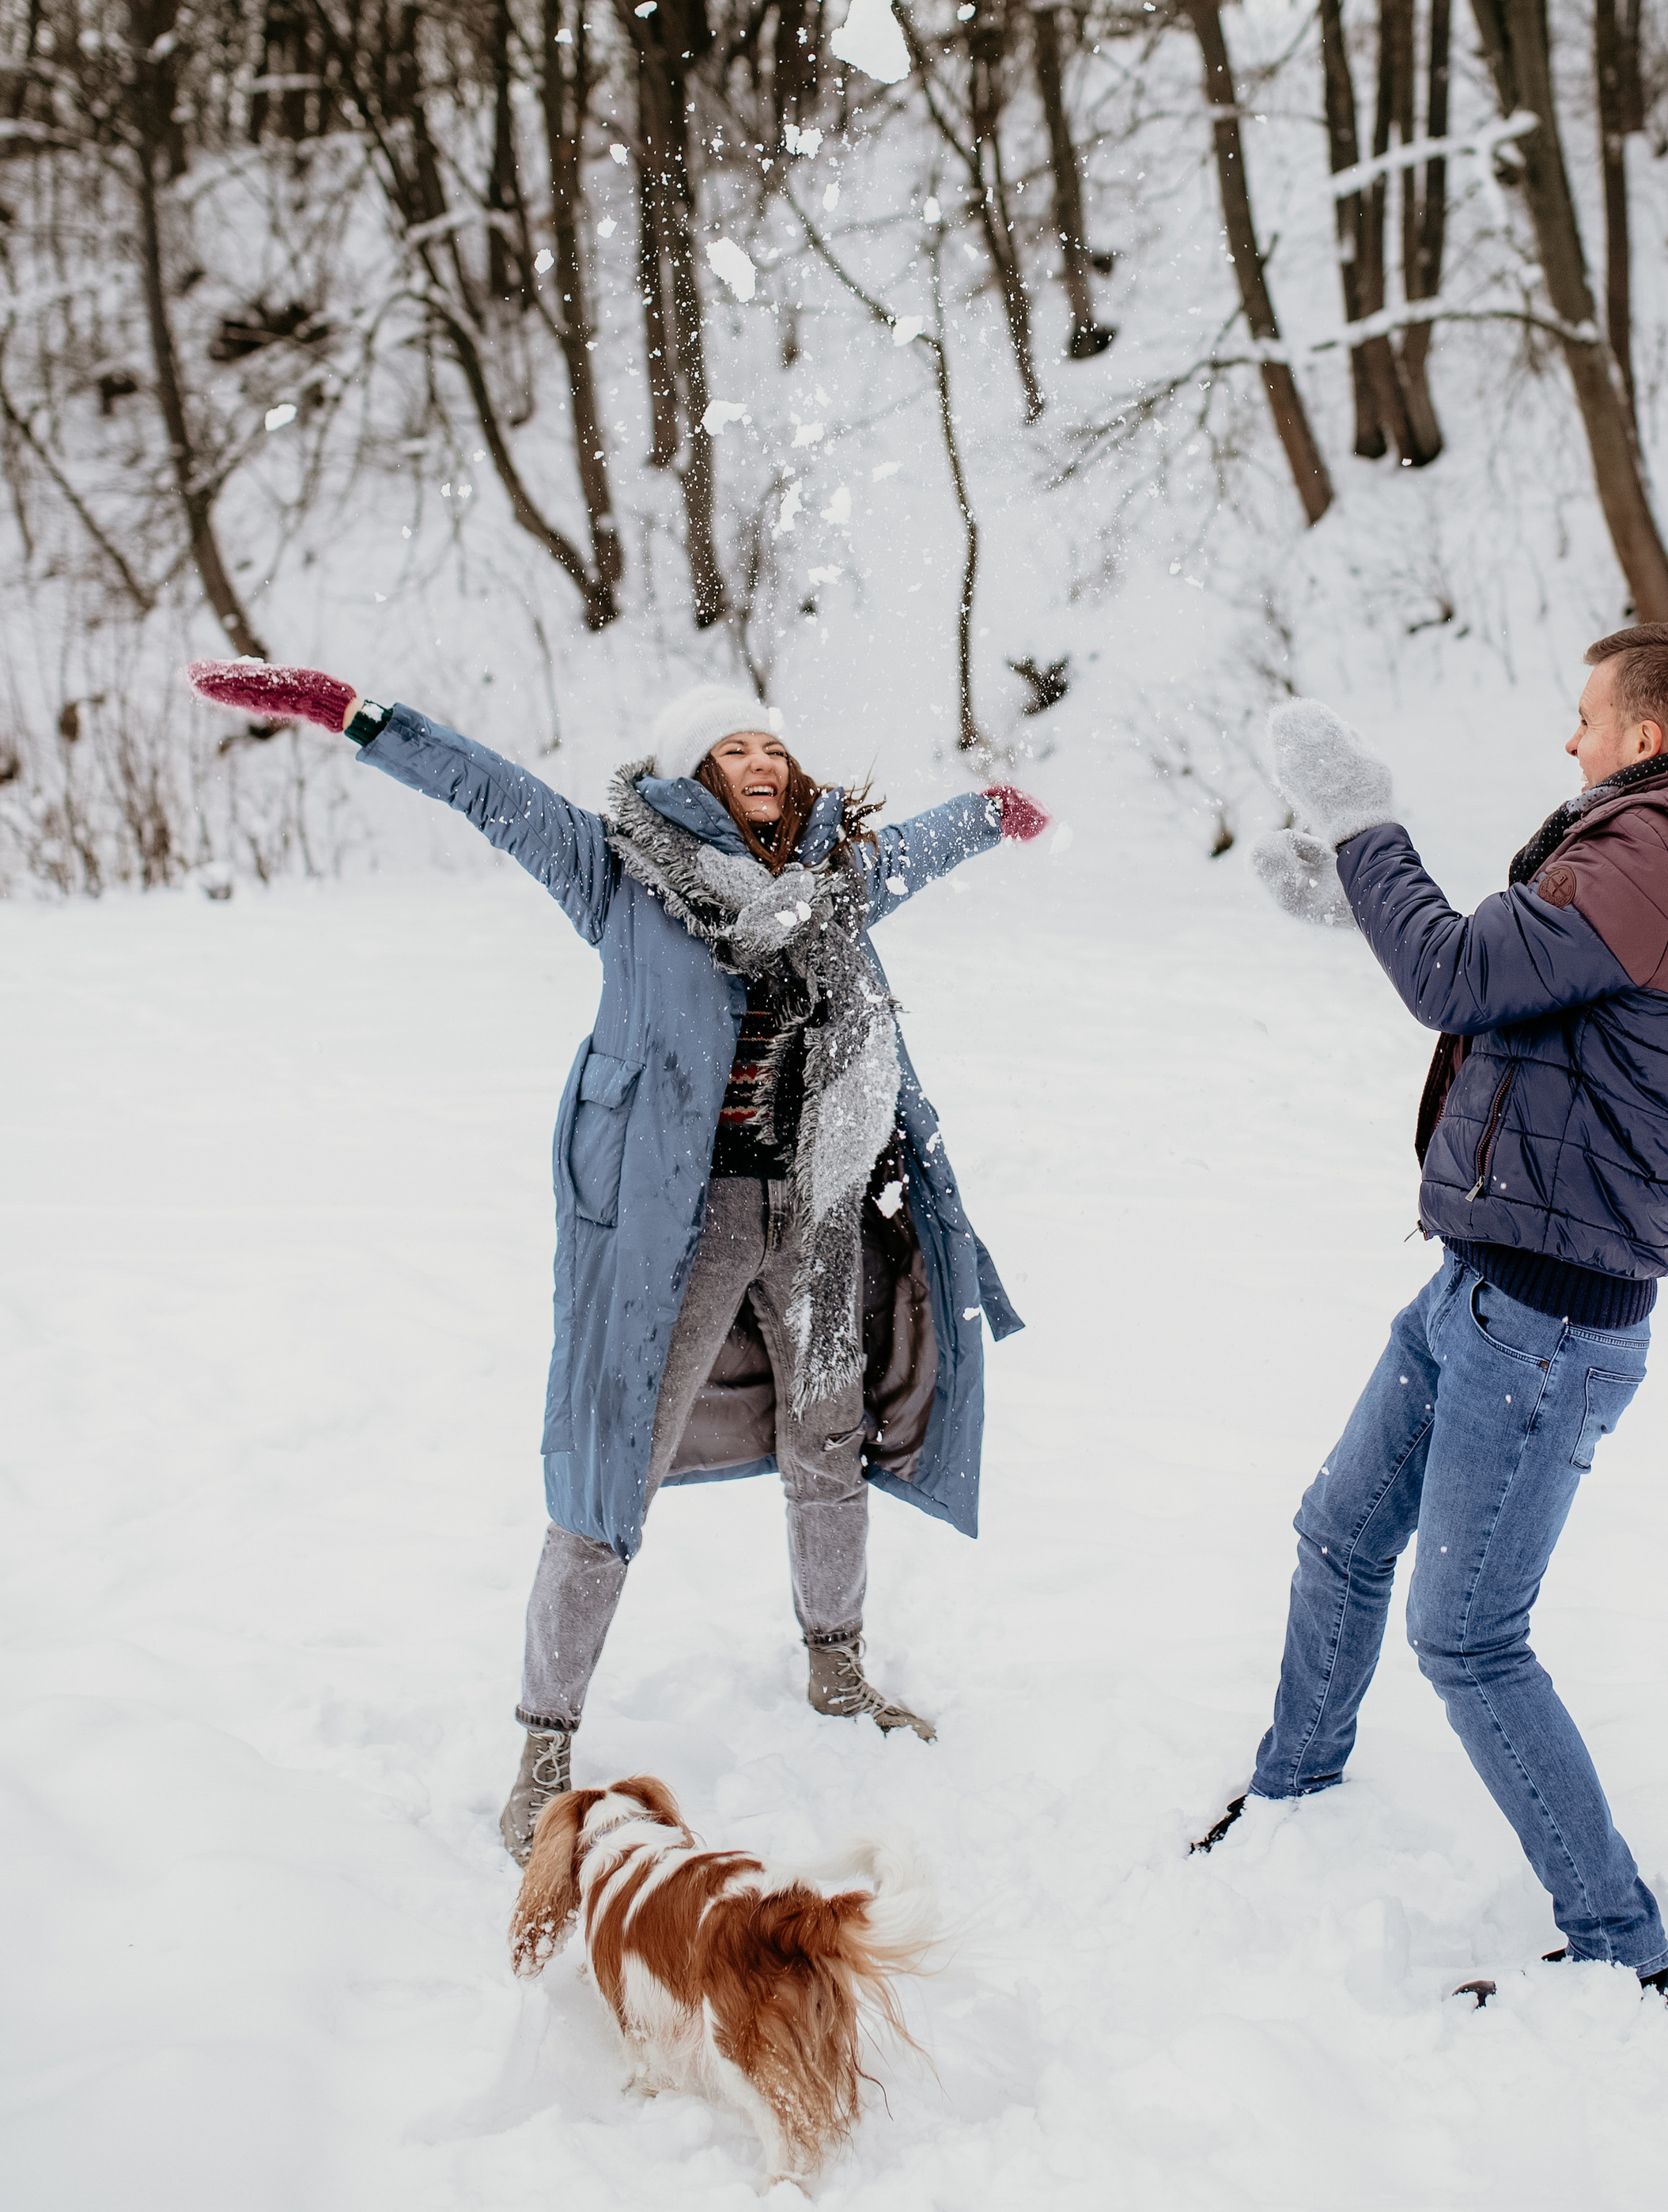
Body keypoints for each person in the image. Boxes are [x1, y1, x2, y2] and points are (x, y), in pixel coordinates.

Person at [184, 661, 1049, 1858]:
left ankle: (838, 1670)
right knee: (611, 1466)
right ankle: (543, 1747)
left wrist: (995, 814)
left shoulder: (833, 883)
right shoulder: (623, 872)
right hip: (674, 1222)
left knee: (829, 1434)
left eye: (771, 749)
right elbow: (492, 794)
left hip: (814, 1207)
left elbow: (917, 849)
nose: (760, 762)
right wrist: (353, 712)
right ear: (694, 775)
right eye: (732, 749)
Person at [1217, 623, 1668, 1999]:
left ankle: (1620, 1942)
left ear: (1649, 738)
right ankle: (1297, 1791)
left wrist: (1365, 823)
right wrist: (1359, 902)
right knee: (1339, 1531)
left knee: (1470, 1635)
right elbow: (1533, 987)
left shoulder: (1655, 852)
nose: (1572, 738)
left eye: (1588, 716)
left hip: (1544, 1324)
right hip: (1488, 1284)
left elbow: (1465, 977)